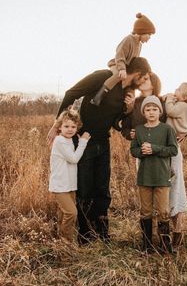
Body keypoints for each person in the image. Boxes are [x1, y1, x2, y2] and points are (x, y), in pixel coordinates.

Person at [47, 57, 152, 243]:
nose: (144, 83)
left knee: (102, 191)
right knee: (85, 191)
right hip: (84, 141)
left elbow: (115, 123)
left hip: (103, 143)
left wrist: (127, 110)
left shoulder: (127, 93)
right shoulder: (102, 77)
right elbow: (71, 93)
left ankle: (102, 233)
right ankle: (85, 236)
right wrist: (57, 124)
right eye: (144, 79)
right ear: (137, 74)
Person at [130, 95, 178, 253]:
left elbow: (173, 150)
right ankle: (147, 245)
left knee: (163, 211)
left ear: (160, 111)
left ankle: (165, 245)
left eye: (155, 109)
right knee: (145, 211)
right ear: (144, 112)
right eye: (148, 109)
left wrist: (155, 148)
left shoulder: (167, 129)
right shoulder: (139, 130)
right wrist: (143, 152)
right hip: (144, 177)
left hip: (162, 177)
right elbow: (133, 150)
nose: (151, 112)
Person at [90, 13, 156, 106]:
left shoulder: (139, 45)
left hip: (127, 68)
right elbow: (119, 54)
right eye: (149, 35)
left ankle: (125, 106)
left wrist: (146, 71)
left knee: (131, 84)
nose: (149, 38)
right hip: (117, 64)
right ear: (142, 31)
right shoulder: (128, 39)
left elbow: (136, 61)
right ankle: (98, 97)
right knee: (118, 75)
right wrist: (121, 68)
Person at [163, 82, 187, 250]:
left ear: (184, 96)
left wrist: (169, 98)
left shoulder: (182, 106)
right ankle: (173, 228)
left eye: (177, 90)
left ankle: (177, 229)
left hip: (173, 149)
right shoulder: (184, 106)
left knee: (175, 185)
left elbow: (169, 111)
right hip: (172, 146)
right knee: (173, 186)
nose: (174, 91)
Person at [49, 109, 90, 242]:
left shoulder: (70, 140)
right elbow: (73, 159)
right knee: (71, 213)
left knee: (63, 214)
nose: (70, 129)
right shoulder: (60, 140)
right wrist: (83, 142)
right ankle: (66, 243)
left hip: (70, 185)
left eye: (73, 126)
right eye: (66, 126)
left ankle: (61, 242)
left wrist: (79, 142)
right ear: (59, 127)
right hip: (60, 185)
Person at [121, 71, 162, 141]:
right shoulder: (134, 103)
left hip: (158, 147)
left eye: (146, 79)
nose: (141, 80)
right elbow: (125, 128)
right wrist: (130, 135)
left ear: (153, 85)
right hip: (139, 148)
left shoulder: (162, 103)